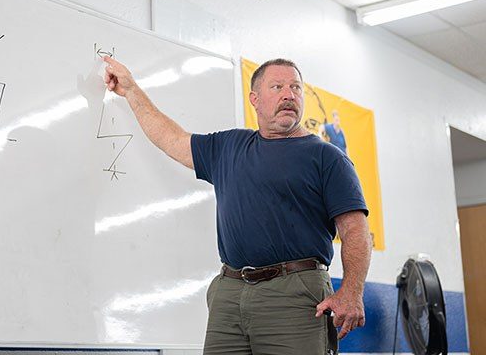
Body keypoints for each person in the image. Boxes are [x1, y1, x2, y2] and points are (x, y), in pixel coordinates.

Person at [102, 56, 372, 355]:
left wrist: (352, 291)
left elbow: (355, 230)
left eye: (296, 87)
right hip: (230, 292)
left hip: (296, 293)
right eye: (277, 86)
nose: (288, 94)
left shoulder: (327, 158)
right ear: (255, 99)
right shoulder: (228, 147)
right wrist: (130, 90)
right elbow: (170, 138)